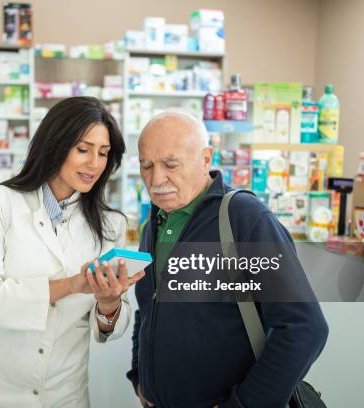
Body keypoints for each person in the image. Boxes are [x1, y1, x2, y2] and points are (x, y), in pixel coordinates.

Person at [126, 111, 329, 408]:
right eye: (146, 166)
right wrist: (140, 378)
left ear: (206, 159)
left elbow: (303, 327)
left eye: (171, 164)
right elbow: (148, 307)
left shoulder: (243, 217)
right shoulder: (155, 224)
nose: (156, 179)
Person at [0, 97, 144, 407]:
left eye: (103, 153)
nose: (94, 164)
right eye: (83, 150)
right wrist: (72, 285)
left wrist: (109, 303)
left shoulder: (111, 224)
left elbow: (111, 327)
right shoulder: (3, 203)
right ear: (55, 144)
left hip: (64, 392)